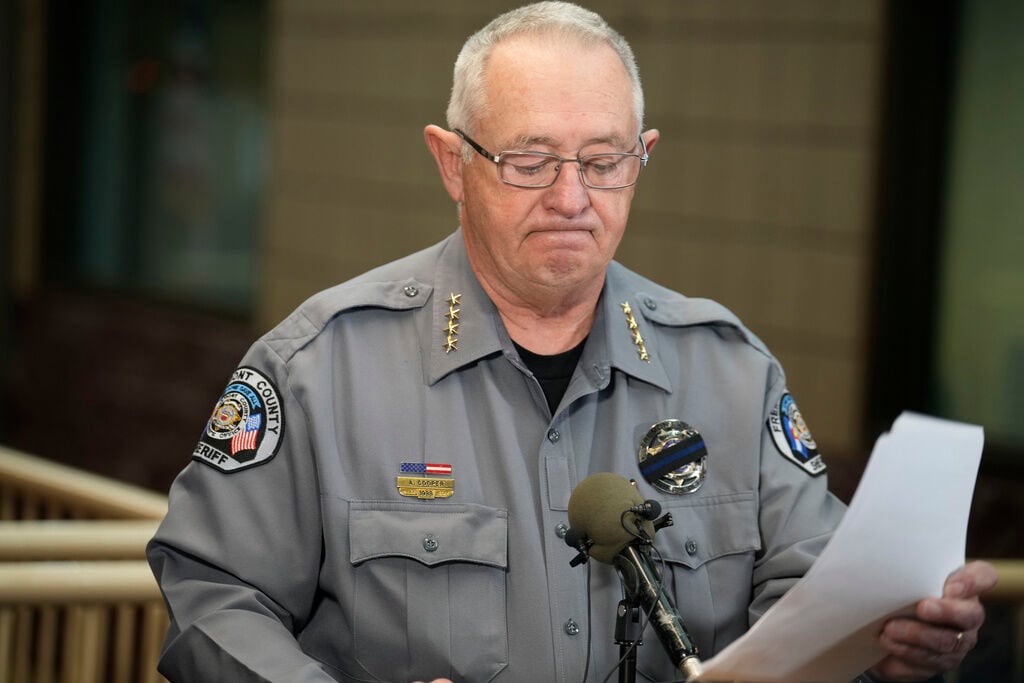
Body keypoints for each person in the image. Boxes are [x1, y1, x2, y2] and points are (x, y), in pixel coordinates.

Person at [147, 3, 996, 682]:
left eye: (602, 160)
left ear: (643, 158)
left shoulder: (730, 371)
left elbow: (814, 600)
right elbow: (214, 595)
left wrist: (888, 643)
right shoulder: (321, 370)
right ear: (452, 164)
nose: (570, 196)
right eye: (529, 159)